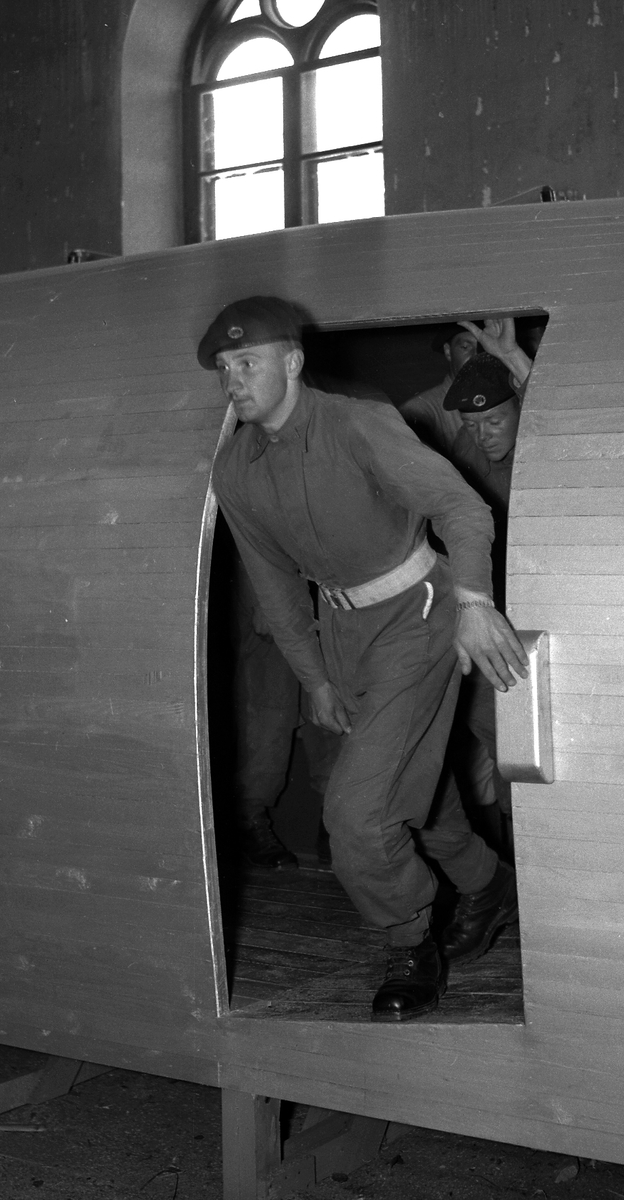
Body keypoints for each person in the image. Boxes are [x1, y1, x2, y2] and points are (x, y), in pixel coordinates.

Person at [198, 295, 529, 1022]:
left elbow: (460, 508)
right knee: (414, 791)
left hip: (420, 616)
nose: (233, 380)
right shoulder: (236, 471)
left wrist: (475, 601)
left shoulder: (357, 425)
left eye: (247, 362)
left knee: (356, 813)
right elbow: (275, 588)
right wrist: (315, 678)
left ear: (292, 361)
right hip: (343, 639)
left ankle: (409, 943)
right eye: (224, 367)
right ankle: (486, 884)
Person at [441, 318, 533, 850]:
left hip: (543, 613)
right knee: (499, 739)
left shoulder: (541, 439)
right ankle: (515, 864)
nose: (483, 434)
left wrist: (516, 360)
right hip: (489, 616)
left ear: (522, 406)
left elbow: (567, 412)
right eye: (472, 424)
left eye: (495, 420)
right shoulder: (467, 449)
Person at [230, 545, 340, 869]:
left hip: (322, 577)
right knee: (270, 704)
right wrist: (264, 595)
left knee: (332, 708)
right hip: (267, 566)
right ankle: (248, 819)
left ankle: (336, 824)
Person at [398, 325, 480, 455]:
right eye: (465, 347)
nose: (476, 356)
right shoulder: (418, 411)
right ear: (448, 351)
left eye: (484, 348)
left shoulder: (504, 402)